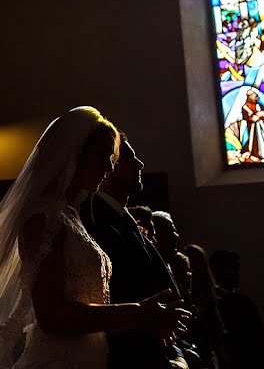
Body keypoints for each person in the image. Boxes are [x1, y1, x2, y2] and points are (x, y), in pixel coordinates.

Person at [0, 107, 191, 369]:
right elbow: (51, 314)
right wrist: (137, 313)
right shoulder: (43, 217)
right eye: (101, 155)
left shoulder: (70, 215)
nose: (109, 165)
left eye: (110, 156)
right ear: (73, 156)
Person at [80, 130, 190, 368]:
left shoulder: (121, 219)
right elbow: (116, 297)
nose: (140, 164)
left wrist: (177, 355)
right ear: (108, 167)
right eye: (129, 157)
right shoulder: (96, 222)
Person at [240, 89, 264, 161]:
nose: (256, 95)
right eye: (253, 94)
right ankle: (256, 155)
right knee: (254, 143)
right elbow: (248, 118)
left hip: (262, 128)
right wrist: (257, 116)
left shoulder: (258, 105)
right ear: (249, 97)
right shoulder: (245, 107)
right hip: (252, 129)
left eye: (255, 94)